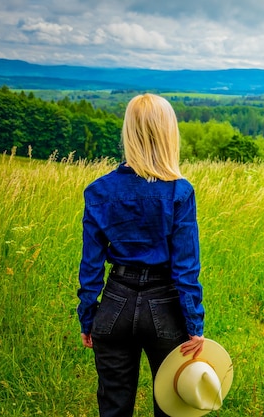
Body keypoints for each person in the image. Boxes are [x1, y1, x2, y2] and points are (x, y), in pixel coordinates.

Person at [77, 93, 205, 417]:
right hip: (165, 307)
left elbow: (91, 266)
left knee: (114, 408)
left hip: (114, 304)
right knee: (172, 407)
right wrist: (195, 326)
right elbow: (186, 269)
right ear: (168, 133)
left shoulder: (98, 191)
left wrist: (88, 317)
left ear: (128, 133)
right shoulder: (180, 191)